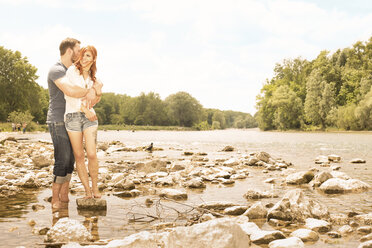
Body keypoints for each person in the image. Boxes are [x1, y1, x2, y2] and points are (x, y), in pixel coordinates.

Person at [47, 38, 98, 209]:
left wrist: (96, 91)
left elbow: (90, 90)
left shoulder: (74, 70)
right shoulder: (57, 70)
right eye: (78, 50)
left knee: (71, 160)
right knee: (63, 159)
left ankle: (64, 197)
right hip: (58, 119)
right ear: (70, 51)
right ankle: (55, 198)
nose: (80, 53)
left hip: (70, 119)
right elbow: (70, 91)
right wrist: (92, 91)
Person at [63, 45, 103, 199]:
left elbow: (95, 100)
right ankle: (87, 191)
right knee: (79, 156)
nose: (85, 59)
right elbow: (73, 93)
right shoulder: (72, 72)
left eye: (88, 56)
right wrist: (85, 109)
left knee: (92, 154)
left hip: (90, 119)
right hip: (73, 116)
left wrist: (98, 91)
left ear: (93, 59)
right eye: (83, 55)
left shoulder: (96, 79)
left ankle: (95, 188)